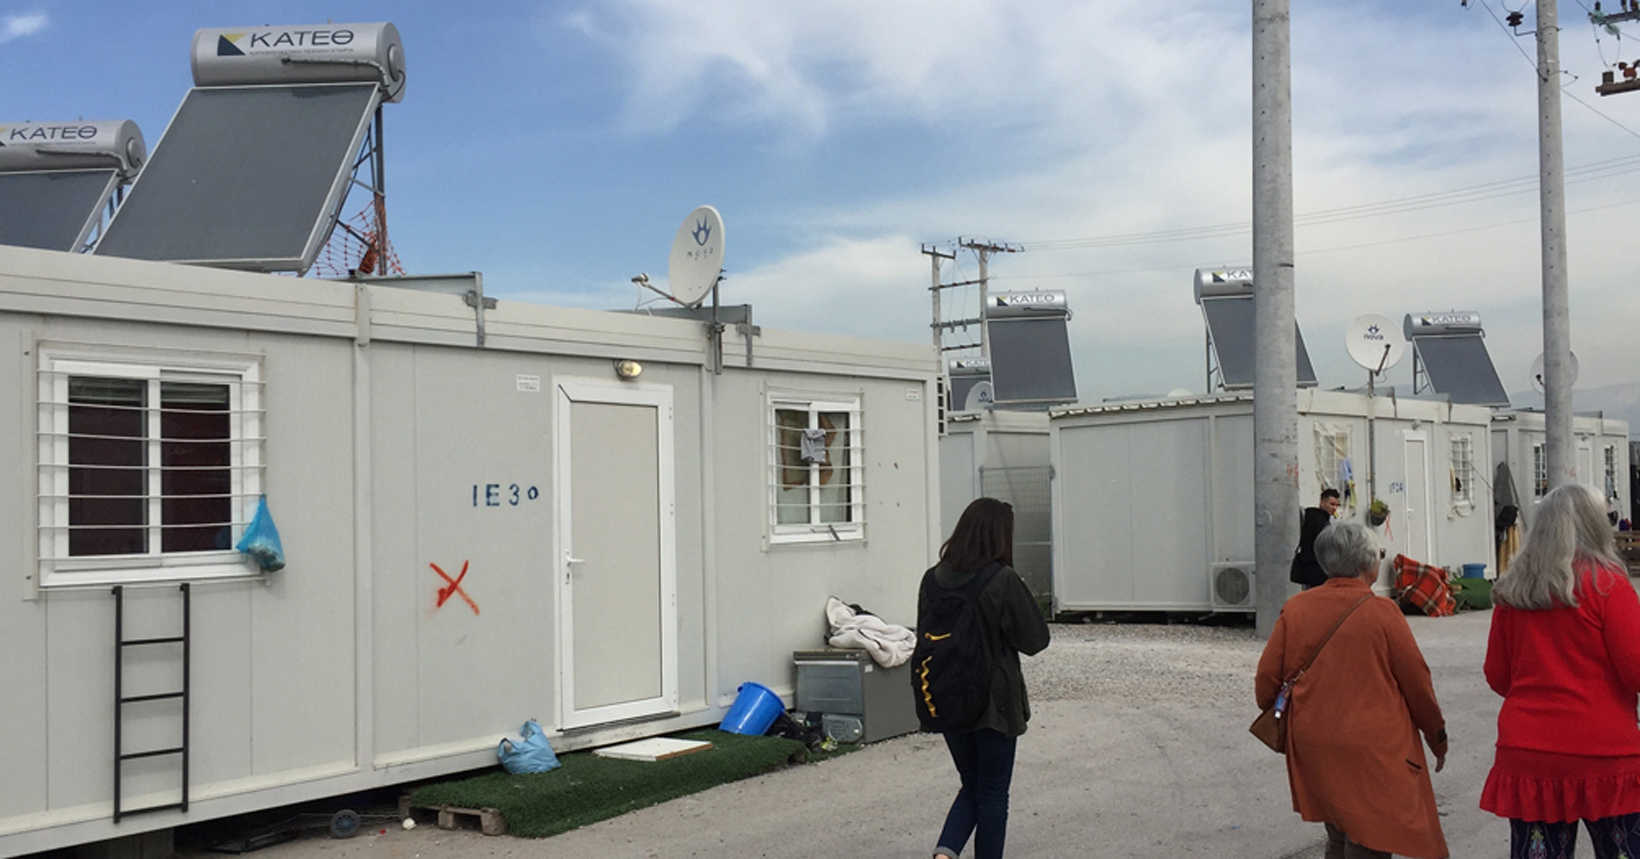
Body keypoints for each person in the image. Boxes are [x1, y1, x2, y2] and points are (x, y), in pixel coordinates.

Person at [1257, 520, 1450, 859]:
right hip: (1372, 748)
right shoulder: (1382, 612)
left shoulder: (1297, 608)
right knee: (1371, 839)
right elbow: (1417, 683)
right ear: (1367, 563)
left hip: (1314, 743)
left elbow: (1266, 684)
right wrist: (1437, 738)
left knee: (1338, 832)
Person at [1480, 483, 1640, 859]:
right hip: (1604, 752)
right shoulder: (1608, 585)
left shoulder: (1513, 591)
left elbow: (1497, 675)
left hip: (1528, 751)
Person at [922, 498, 1050, 859]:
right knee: (993, 792)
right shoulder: (1002, 579)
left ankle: (944, 855)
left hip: (948, 697)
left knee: (973, 784)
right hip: (994, 704)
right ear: (999, 537)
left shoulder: (932, 579)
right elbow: (1036, 640)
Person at [1290, 488, 1342, 589]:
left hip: (1309, 569)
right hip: (1317, 570)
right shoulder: (1320, 522)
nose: (1335, 508)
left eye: (1337, 505)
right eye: (1332, 504)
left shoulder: (1311, 517)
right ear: (1322, 502)